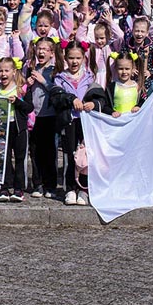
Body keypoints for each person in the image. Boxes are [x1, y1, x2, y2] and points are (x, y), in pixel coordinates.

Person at [49, 40, 96, 206]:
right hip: (69, 121)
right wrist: (71, 99)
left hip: (86, 121)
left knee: (85, 156)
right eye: (71, 58)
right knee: (69, 155)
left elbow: (97, 96)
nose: (74, 62)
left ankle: (83, 189)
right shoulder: (60, 78)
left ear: (83, 58)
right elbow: (57, 97)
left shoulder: (89, 77)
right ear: (65, 58)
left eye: (78, 58)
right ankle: (69, 188)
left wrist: (93, 104)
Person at [0, 56, 33, 202]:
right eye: (0, 71)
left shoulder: (22, 88)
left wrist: (17, 101)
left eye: (6, 71)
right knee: (4, 158)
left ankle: (19, 189)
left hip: (19, 128)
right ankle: (4, 188)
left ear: (14, 71)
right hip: (2, 128)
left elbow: (29, 108)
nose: (3, 74)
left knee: (20, 158)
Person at [24, 37, 59, 199]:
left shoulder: (54, 71)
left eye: (45, 49)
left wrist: (44, 81)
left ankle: (50, 185)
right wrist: (27, 84)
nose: (41, 52)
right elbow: (23, 90)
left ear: (52, 53)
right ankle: (37, 184)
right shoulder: (30, 69)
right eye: (39, 49)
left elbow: (57, 90)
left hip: (50, 115)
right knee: (35, 151)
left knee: (50, 152)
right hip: (34, 117)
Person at [107, 52, 144, 117]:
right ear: (115, 68)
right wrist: (112, 112)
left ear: (133, 68)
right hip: (117, 121)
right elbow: (105, 105)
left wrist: (138, 106)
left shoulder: (137, 86)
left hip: (133, 120)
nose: (124, 72)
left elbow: (144, 101)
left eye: (127, 69)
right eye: (120, 69)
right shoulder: (111, 87)